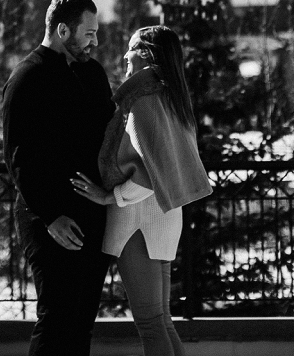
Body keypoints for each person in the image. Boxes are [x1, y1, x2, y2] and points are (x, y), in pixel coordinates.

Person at [72, 25, 211, 356]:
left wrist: (111, 196)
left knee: (150, 324)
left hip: (138, 220)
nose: (124, 56)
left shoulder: (142, 98)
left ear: (146, 55)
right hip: (163, 217)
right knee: (162, 322)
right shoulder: (171, 97)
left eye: (131, 49)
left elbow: (151, 171)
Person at [1, 0, 116, 356]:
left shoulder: (93, 74)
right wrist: (51, 216)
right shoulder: (27, 78)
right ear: (63, 30)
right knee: (56, 319)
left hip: (92, 216)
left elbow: (110, 137)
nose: (95, 41)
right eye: (89, 33)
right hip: (48, 219)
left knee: (82, 321)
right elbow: (19, 158)